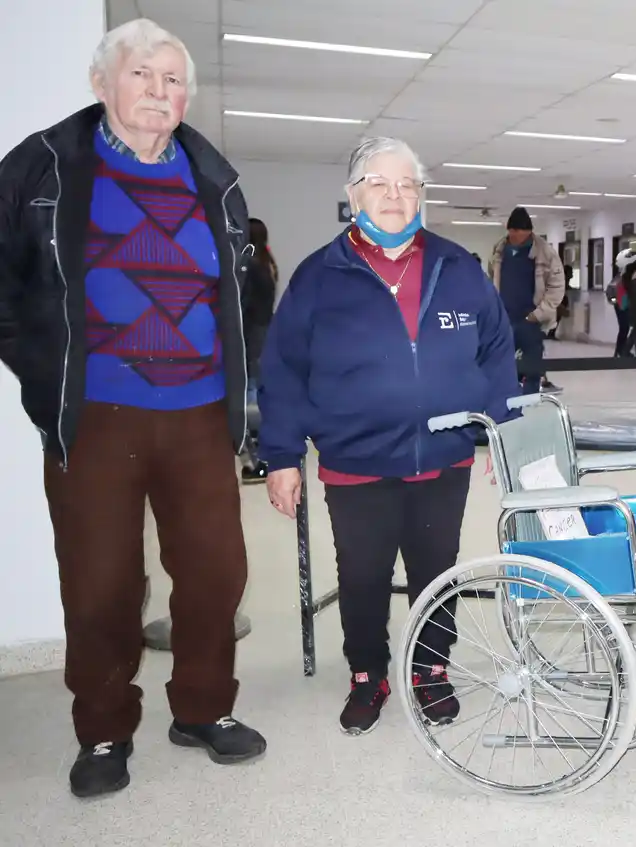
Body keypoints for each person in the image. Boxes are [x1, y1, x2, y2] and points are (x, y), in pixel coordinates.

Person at [0, 17, 266, 798]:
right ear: (101, 83)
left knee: (216, 573)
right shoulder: (44, 165)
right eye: (143, 74)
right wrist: (43, 366)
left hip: (199, 410)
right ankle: (105, 726)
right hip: (97, 413)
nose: (160, 91)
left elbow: (245, 293)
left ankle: (204, 709)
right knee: (101, 581)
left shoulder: (213, 177)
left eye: (174, 79)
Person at [257, 136, 520, 733]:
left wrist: (503, 432)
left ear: (422, 196)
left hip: (443, 459)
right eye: (379, 183)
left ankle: (430, 670)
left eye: (407, 185)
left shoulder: (458, 269)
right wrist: (281, 455)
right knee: (364, 575)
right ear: (353, 196)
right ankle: (367, 673)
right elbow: (283, 371)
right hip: (357, 461)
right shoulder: (319, 277)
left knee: (437, 569)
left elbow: (498, 354)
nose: (395, 196)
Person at [491, 207, 563, 395]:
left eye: (521, 233)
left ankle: (530, 401)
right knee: (502, 363)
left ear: (529, 231)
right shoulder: (499, 250)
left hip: (531, 319)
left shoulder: (545, 253)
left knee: (532, 366)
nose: (516, 237)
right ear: (509, 230)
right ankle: (505, 400)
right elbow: (493, 279)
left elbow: (556, 286)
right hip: (505, 318)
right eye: (513, 232)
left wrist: (538, 314)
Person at [240, 216, 277, 483]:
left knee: (251, 400)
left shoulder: (251, 266)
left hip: (252, 336)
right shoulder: (267, 264)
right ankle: (264, 458)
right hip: (265, 334)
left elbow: (244, 307)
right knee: (258, 396)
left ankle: (260, 462)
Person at [608, 248, 636, 357]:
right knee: (625, 327)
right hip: (623, 303)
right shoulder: (623, 274)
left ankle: (620, 351)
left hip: (622, 302)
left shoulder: (622, 274)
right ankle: (620, 351)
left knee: (624, 328)